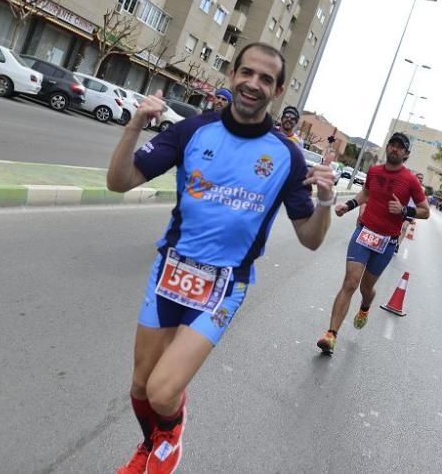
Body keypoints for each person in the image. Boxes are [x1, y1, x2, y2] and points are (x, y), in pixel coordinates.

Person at [106, 42, 337, 474]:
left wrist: (325, 203)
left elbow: (309, 239)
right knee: (140, 385)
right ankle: (149, 444)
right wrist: (134, 126)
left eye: (265, 79)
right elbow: (120, 182)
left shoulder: (286, 156)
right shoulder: (194, 130)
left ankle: (170, 436)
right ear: (232, 76)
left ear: (278, 90)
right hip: (169, 272)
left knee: (162, 392)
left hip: (223, 285)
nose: (254, 83)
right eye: (247, 73)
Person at [317, 132, 429, 354]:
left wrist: (405, 210)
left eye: (400, 147)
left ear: (406, 154)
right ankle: (331, 335)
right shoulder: (375, 172)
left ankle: (365, 306)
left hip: (386, 242)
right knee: (350, 282)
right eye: (392, 145)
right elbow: (366, 193)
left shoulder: (411, 181)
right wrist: (348, 205)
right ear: (387, 148)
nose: (395, 149)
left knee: (366, 288)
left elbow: (426, 211)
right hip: (365, 232)